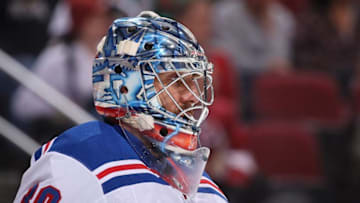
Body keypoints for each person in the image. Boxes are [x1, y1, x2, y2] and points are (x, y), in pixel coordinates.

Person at [13, 11, 228, 202]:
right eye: (176, 81)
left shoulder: (202, 183)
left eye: (195, 82)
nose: (192, 97)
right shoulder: (78, 161)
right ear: (127, 87)